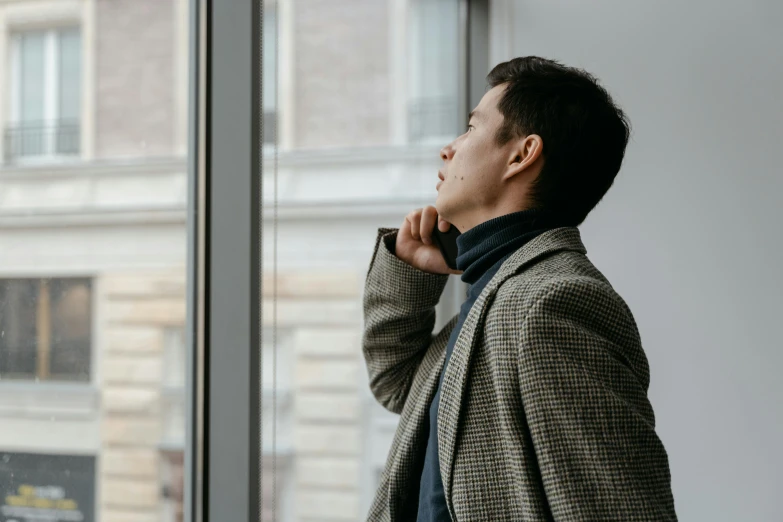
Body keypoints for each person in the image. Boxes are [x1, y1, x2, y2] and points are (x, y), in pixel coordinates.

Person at [361, 56, 677, 521]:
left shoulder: (554, 301)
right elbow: (397, 386)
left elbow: (618, 508)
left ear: (522, 154)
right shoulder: (497, 290)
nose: (448, 149)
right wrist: (412, 273)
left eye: (471, 128)